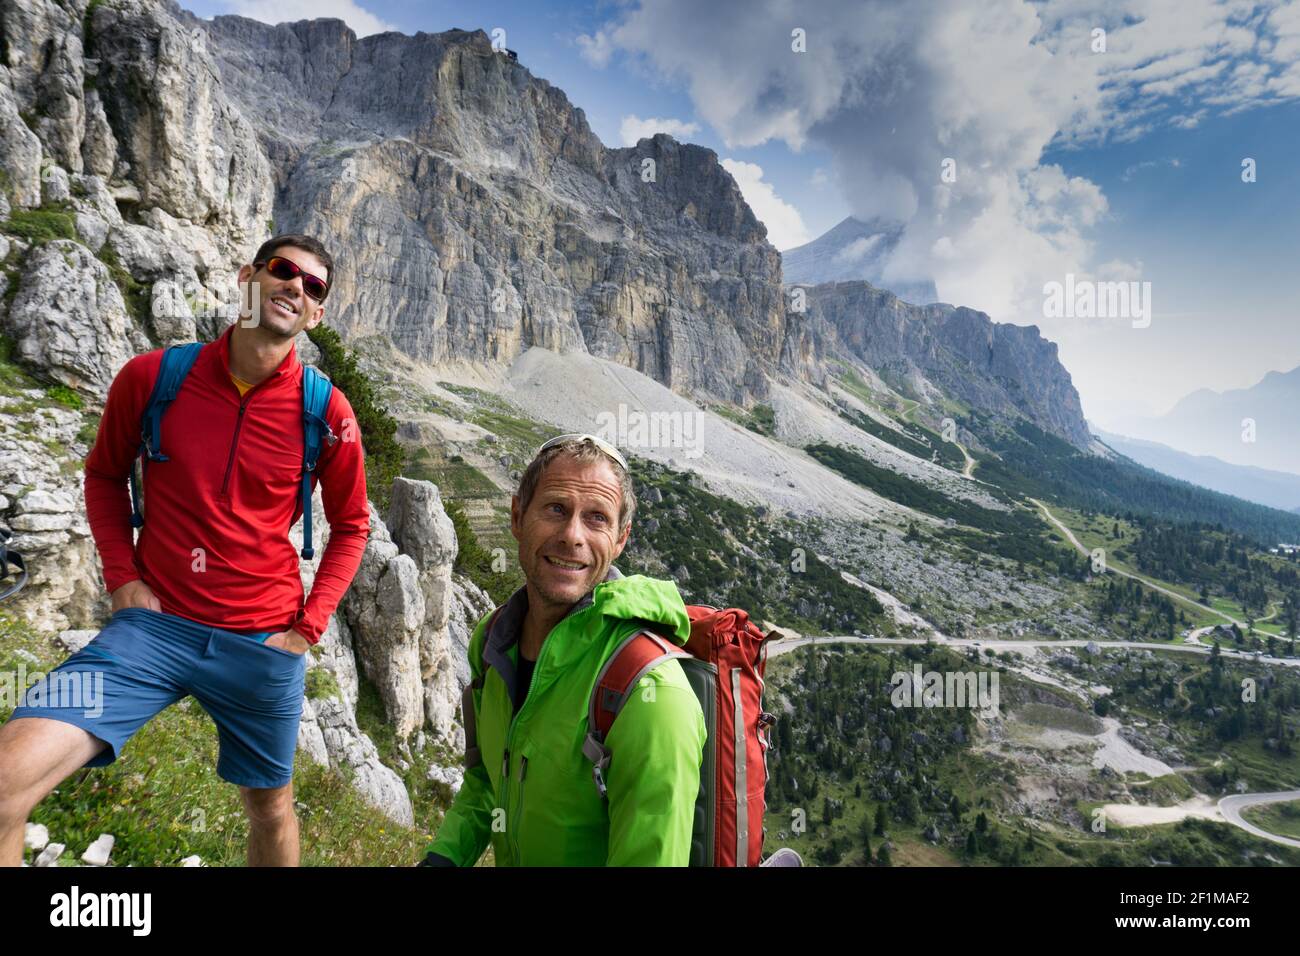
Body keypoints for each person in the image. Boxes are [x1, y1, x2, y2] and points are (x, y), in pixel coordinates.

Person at [0, 235, 370, 867]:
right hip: (152, 632)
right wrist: (121, 578)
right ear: (246, 277)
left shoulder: (327, 413)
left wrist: (307, 628)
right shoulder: (153, 377)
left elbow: (354, 525)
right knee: (7, 783)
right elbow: (103, 475)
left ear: (318, 314)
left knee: (271, 810)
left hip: (262, 643)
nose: (296, 288)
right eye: (284, 271)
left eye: (314, 287)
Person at [420, 434, 705, 866]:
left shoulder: (650, 694)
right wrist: (444, 857)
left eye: (596, 518)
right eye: (556, 509)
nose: (573, 536)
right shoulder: (494, 641)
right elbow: (488, 782)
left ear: (621, 538)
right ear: (517, 516)